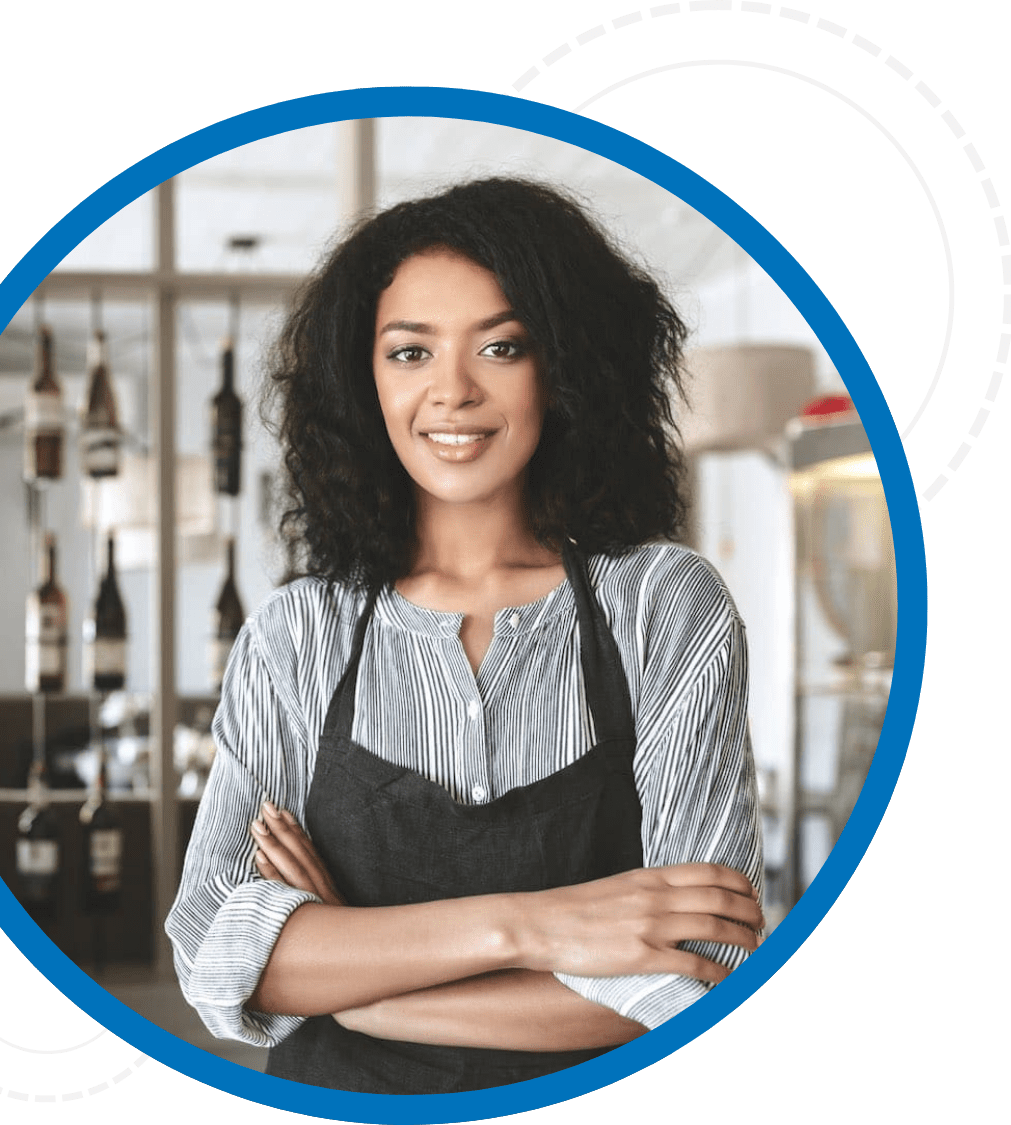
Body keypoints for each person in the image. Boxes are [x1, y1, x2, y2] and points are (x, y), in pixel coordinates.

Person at [165, 177, 763, 1094]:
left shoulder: (663, 605)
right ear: (361, 381)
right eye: (409, 351)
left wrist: (356, 985)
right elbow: (213, 949)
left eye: (501, 345)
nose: (451, 390)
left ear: (564, 367)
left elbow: (701, 970)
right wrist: (534, 925)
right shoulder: (299, 634)